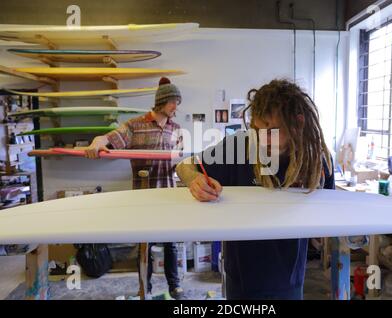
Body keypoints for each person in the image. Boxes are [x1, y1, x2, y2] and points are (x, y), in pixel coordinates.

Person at [176, 79, 335, 299]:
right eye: (258, 130)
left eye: (271, 131)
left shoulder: (316, 160)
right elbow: (184, 165)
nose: (263, 139)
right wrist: (194, 179)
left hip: (290, 278)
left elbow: (328, 216)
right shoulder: (241, 145)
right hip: (241, 277)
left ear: (298, 123)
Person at [85, 77, 185, 300]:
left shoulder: (176, 129)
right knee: (145, 245)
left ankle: (175, 287)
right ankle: (145, 286)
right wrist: (95, 144)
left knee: (171, 243)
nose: (176, 107)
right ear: (162, 102)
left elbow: (180, 161)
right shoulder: (135, 126)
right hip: (143, 197)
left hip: (168, 194)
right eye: (173, 102)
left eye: (178, 102)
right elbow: (107, 138)